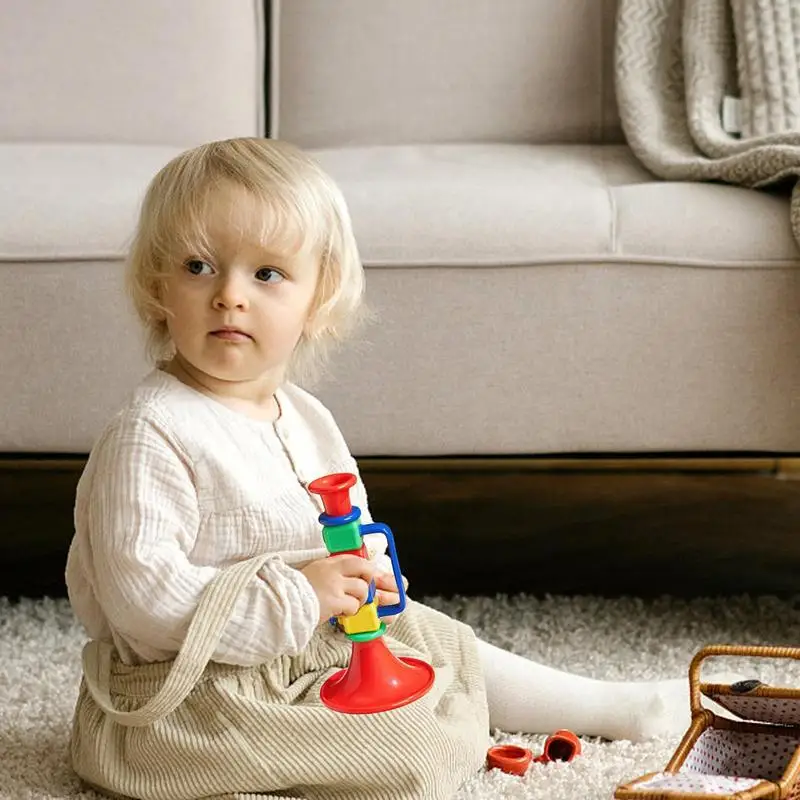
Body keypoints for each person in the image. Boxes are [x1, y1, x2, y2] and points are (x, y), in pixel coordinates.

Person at [66, 138, 709, 800]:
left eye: (266, 275)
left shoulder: (305, 417)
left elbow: (350, 528)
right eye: (199, 267)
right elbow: (144, 603)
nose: (230, 295)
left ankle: (611, 707)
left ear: (318, 298)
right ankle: (439, 733)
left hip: (309, 648)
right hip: (195, 695)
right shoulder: (151, 434)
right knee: (416, 751)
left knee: (438, 641)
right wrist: (302, 597)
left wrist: (362, 574)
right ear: (157, 288)